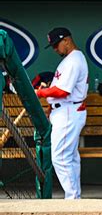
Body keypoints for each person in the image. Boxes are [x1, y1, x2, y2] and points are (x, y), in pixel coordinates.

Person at [35, 28, 88, 199]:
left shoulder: (74, 60)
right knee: (70, 157)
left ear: (66, 40)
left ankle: (72, 199)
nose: (55, 49)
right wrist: (51, 103)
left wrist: (39, 93)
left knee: (60, 158)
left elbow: (64, 91)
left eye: (56, 44)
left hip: (68, 111)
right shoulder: (71, 59)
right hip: (66, 110)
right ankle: (75, 198)